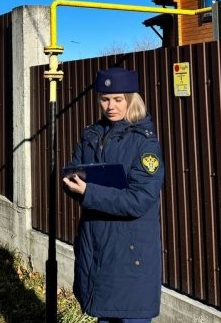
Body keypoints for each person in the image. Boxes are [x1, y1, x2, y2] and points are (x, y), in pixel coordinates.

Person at [62, 67, 165, 323]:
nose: (110, 106)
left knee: (130, 316)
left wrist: (89, 191)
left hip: (130, 253)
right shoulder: (91, 135)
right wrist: (71, 183)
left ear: (131, 100)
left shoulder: (144, 143)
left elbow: (139, 200)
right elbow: (75, 172)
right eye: (105, 99)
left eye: (118, 99)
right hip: (97, 246)